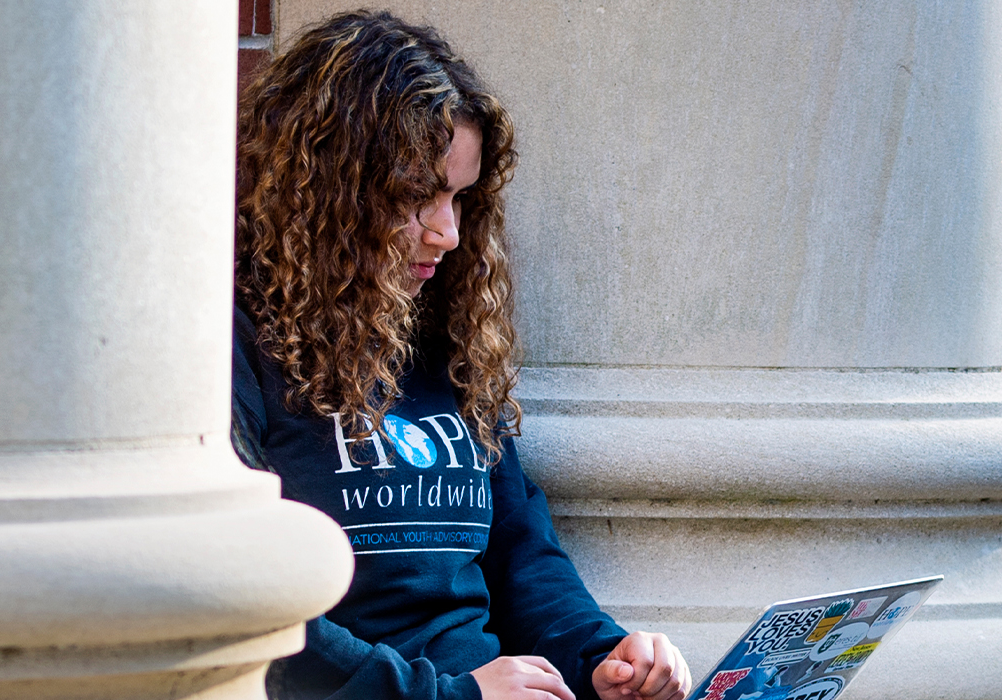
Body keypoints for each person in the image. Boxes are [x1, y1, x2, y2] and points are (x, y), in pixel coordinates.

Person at [230, 11, 690, 700]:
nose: (446, 233)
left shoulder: (443, 336)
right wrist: (452, 696)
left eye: (459, 197)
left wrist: (604, 656)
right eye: (416, 197)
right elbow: (246, 604)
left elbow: (517, 552)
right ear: (327, 189)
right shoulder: (235, 346)